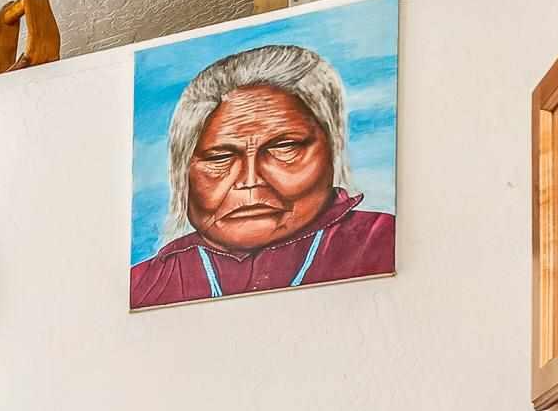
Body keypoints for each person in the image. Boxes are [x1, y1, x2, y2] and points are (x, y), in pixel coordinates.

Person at [130, 42, 393, 307]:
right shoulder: (145, 284)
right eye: (219, 158)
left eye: (284, 147)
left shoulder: (385, 243)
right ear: (183, 171)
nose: (250, 180)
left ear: (332, 147)